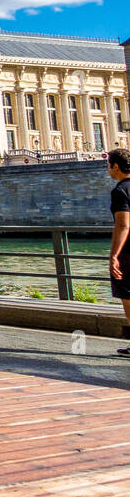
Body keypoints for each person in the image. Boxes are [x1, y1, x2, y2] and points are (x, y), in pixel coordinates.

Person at [107, 148, 130, 357]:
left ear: (116, 166)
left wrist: (114, 255)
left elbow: (123, 225)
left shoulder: (120, 190)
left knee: (129, 296)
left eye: (108, 165)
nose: (108, 169)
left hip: (128, 251)